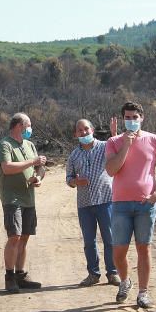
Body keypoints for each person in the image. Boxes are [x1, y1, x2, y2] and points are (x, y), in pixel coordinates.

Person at [105, 102, 156, 308]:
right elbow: (111, 170)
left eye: (135, 117)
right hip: (120, 205)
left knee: (144, 249)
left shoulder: (155, 140)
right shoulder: (113, 142)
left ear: (142, 118)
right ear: (122, 119)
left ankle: (143, 292)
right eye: (127, 117)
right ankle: (125, 282)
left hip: (145, 204)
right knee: (119, 251)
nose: (131, 121)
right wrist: (126, 144)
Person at [65, 119, 120, 286]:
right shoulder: (73, 155)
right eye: (80, 130)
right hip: (85, 203)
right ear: (75, 134)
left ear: (92, 130)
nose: (84, 133)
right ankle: (93, 274)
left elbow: (118, 155)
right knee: (89, 241)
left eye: (86, 129)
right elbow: (68, 179)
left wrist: (115, 134)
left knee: (110, 239)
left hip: (106, 200)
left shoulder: (105, 147)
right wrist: (75, 181)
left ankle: (113, 273)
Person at [0, 112, 47, 292]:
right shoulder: (5, 145)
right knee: (14, 237)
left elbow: (39, 169)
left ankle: (21, 275)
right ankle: (9, 277)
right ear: (19, 126)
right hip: (12, 199)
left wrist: (38, 177)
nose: (30, 129)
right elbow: (7, 168)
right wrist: (32, 161)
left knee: (24, 237)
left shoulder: (30, 145)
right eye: (29, 125)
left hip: (28, 198)